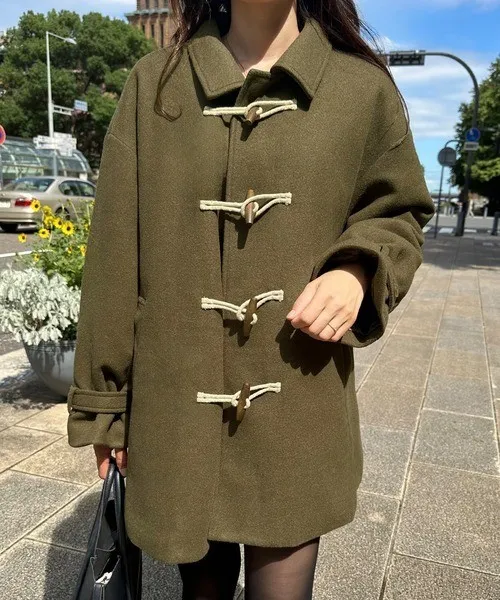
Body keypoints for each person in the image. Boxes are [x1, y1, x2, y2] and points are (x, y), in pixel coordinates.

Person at [66, 0, 436, 598]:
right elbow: (114, 252)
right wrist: (103, 402)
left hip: (298, 397)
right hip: (177, 403)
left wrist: (357, 268)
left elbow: (399, 211)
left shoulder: (360, 88)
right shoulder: (155, 84)